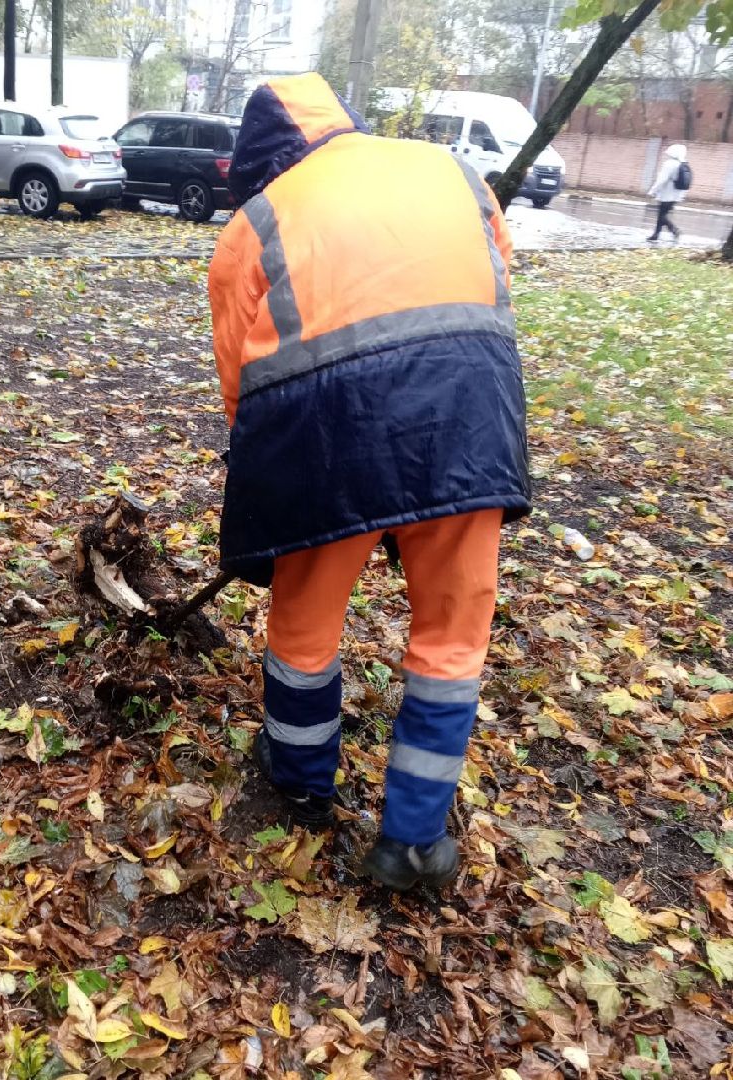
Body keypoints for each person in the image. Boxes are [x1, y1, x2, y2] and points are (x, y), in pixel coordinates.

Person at [207, 73, 531, 892]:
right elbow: (494, 277)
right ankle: (413, 843)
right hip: (469, 419)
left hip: (325, 439)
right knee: (455, 633)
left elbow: (241, 387)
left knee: (305, 623)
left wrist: (260, 478)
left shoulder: (256, 222)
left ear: (263, 158)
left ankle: (301, 785)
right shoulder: (454, 172)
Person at [646, 143, 689, 243]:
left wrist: (653, 191)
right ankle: (656, 234)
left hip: (667, 194)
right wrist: (681, 196)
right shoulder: (683, 163)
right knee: (662, 214)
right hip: (676, 195)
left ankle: (674, 230)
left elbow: (662, 179)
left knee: (662, 215)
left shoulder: (669, 164)